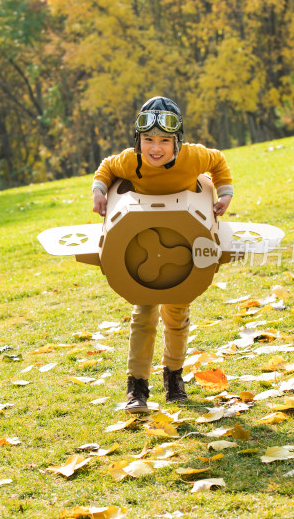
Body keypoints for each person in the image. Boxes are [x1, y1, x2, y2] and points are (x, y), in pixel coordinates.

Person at [91, 96, 233, 411]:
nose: (156, 148)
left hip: (184, 245)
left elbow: (218, 162)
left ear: (177, 142)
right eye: (148, 140)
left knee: (177, 316)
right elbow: (106, 167)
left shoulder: (193, 157)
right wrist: (99, 191)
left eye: (165, 141)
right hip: (143, 248)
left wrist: (225, 193)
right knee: (143, 314)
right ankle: (137, 388)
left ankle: (174, 377)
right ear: (138, 141)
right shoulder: (131, 161)